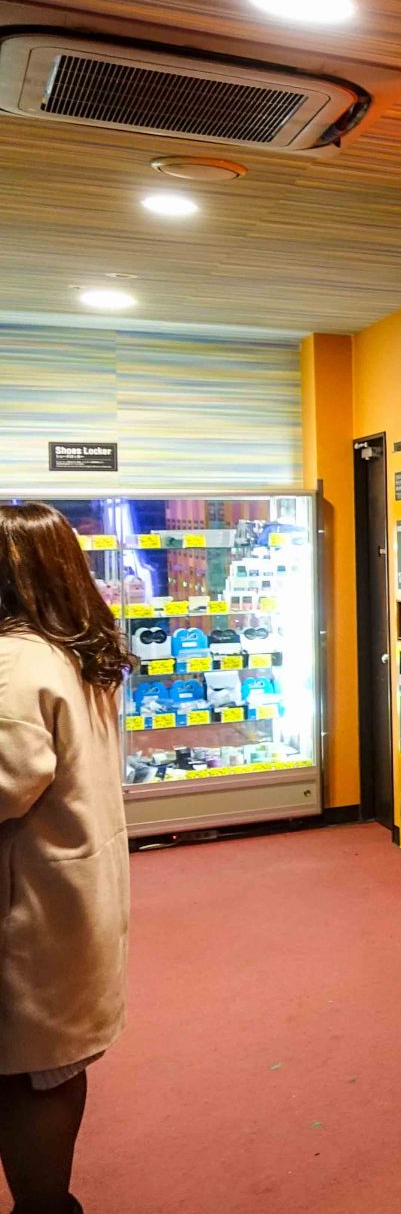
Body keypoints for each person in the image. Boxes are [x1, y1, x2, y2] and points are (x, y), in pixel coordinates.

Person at [0, 504, 132, 1214]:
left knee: (26, 1072)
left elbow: (7, 782)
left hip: (28, 910)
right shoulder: (82, 647)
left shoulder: (15, 661)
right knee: (52, 1067)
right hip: (73, 894)